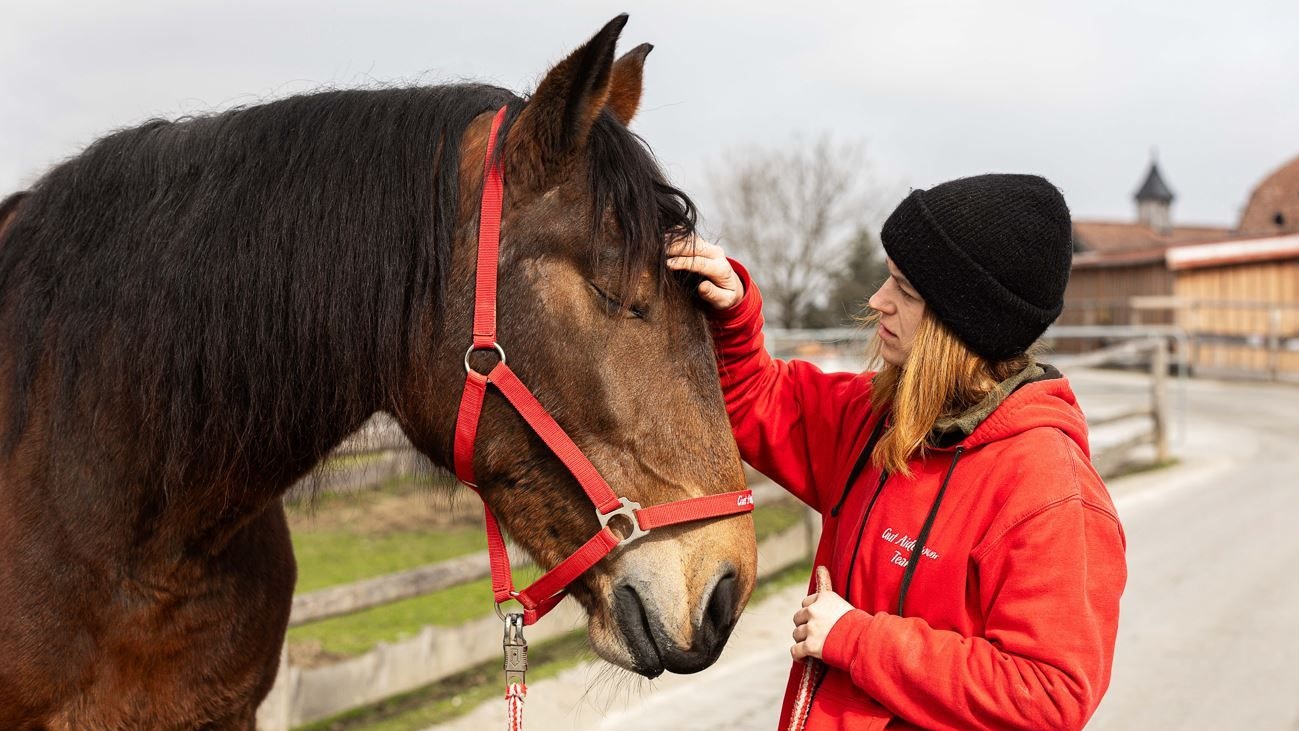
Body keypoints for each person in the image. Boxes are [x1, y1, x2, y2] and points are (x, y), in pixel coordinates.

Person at [666, 173, 1127, 731]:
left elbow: (1049, 693)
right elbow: (759, 397)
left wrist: (855, 638)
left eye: (905, 290)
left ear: (963, 324)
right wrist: (732, 315)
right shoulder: (877, 422)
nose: (878, 302)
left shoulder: (1048, 491)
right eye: (889, 278)